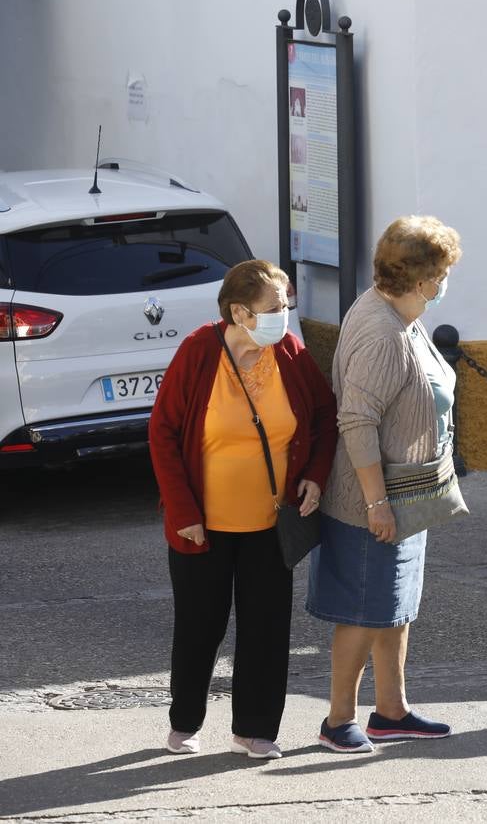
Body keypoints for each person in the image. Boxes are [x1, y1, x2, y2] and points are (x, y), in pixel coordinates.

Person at [149, 259, 337, 759]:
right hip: (202, 526)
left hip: (270, 523)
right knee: (199, 625)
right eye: (274, 308)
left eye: (286, 306)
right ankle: (185, 720)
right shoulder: (197, 351)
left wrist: (315, 476)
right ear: (239, 312)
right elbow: (163, 433)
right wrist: (182, 509)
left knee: (267, 627)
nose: (285, 316)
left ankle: (255, 731)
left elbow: (323, 415)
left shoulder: (289, 352)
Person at [308, 215, 462, 753]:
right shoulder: (381, 332)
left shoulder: (400, 311)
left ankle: (390, 711)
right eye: (442, 274)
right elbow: (357, 419)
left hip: (406, 494)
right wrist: (377, 503)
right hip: (371, 501)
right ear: (422, 281)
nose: (445, 283)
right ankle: (337, 720)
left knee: (395, 607)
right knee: (364, 610)